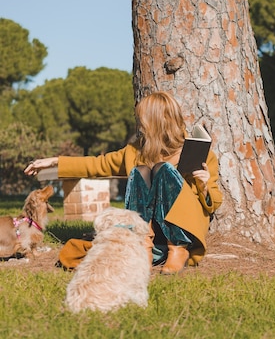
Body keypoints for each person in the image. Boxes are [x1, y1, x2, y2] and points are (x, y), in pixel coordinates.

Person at [24, 91, 223, 274]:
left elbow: (213, 202)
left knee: (163, 171)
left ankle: (177, 249)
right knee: (140, 172)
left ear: (159, 121)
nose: (139, 124)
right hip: (149, 231)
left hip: (180, 230)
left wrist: (203, 185)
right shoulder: (135, 152)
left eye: (143, 119)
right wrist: (54, 161)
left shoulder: (198, 153)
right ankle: (144, 247)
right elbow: (96, 164)